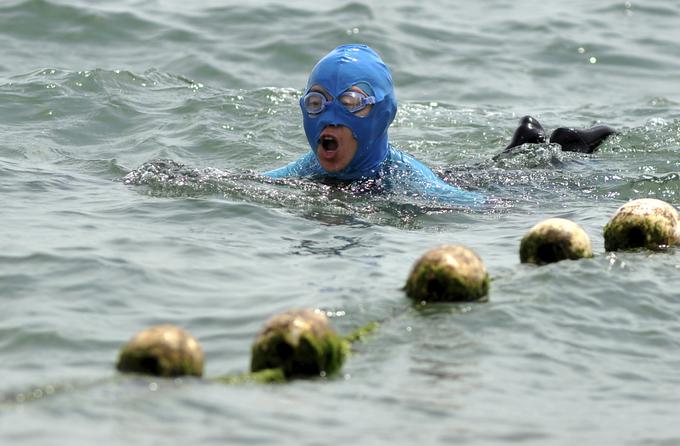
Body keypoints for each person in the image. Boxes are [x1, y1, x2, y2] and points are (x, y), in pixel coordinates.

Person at [263, 44, 615, 206]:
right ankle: (523, 144)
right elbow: (254, 183)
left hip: (473, 184)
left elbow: (484, 204)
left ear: (381, 114)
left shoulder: (401, 175)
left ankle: (569, 147)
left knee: (533, 172)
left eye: (351, 104)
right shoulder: (308, 167)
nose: (330, 118)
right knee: (494, 165)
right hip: (454, 174)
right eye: (316, 103)